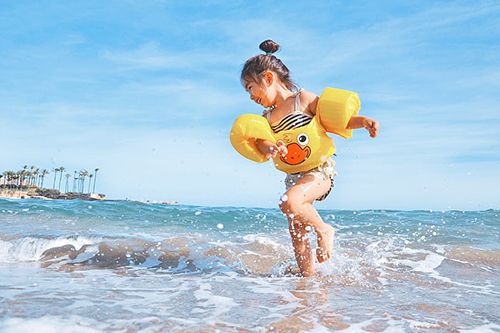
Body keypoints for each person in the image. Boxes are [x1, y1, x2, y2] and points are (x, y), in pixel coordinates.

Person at [240, 40, 379, 277]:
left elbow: (336, 120)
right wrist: (271, 147)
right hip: (293, 177)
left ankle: (325, 231)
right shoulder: (267, 117)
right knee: (297, 231)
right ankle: (308, 283)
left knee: (288, 203)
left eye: (250, 87)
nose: (250, 95)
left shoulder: (302, 99)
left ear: (269, 78)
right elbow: (262, 142)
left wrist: (363, 121)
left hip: (319, 171)